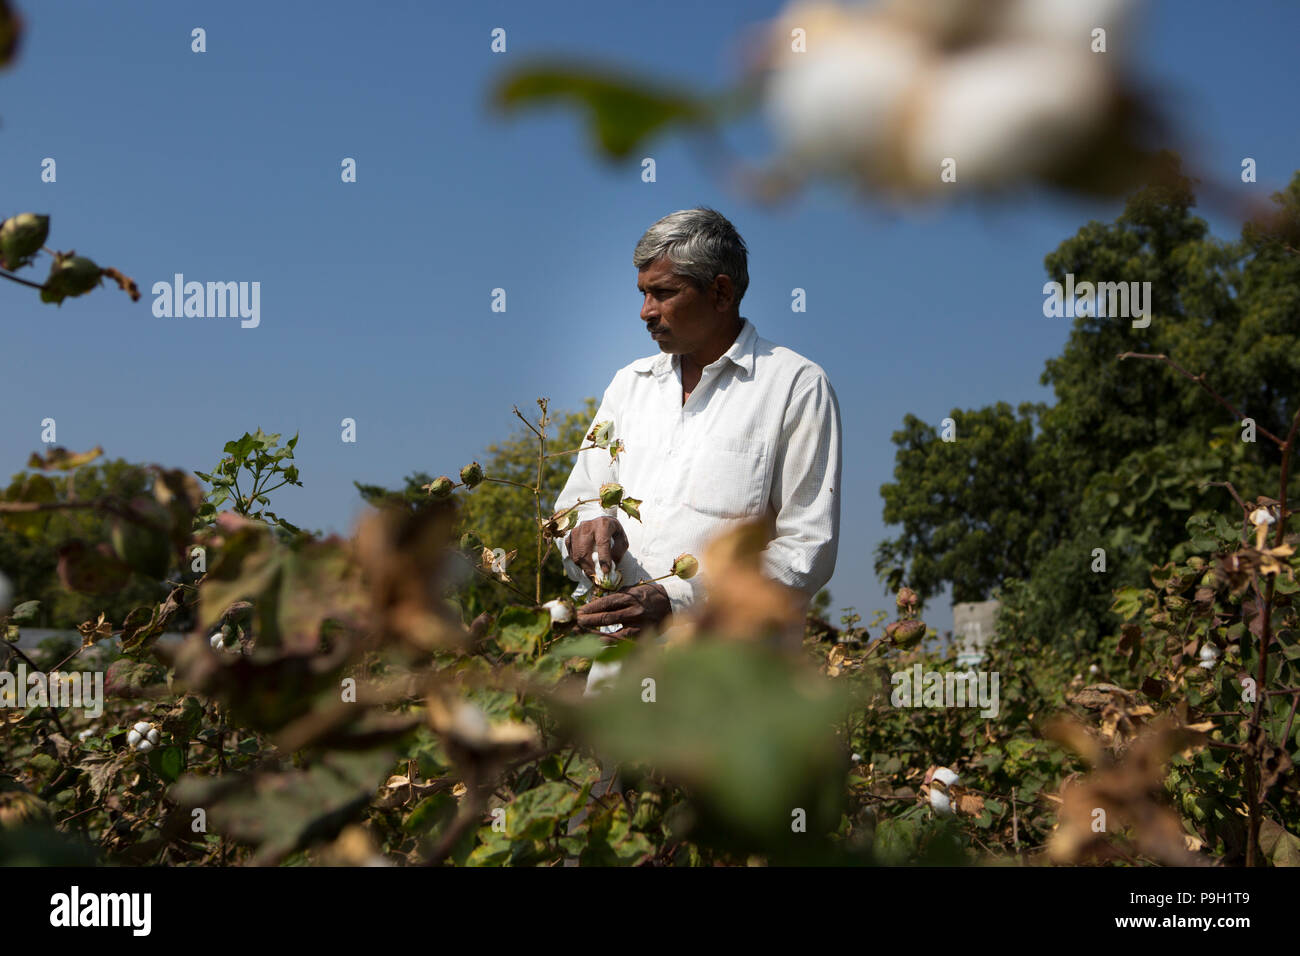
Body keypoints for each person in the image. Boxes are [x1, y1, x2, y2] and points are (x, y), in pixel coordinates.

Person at [553, 206, 842, 687]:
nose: (646, 311)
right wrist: (584, 534)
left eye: (664, 293)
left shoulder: (795, 385)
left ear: (721, 293)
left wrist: (679, 599)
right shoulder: (630, 386)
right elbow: (572, 507)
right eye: (643, 293)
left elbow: (808, 549)